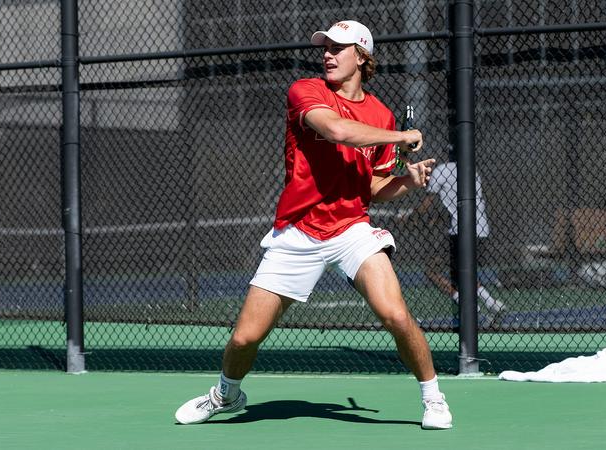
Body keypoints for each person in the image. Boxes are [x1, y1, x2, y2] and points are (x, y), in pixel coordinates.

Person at [174, 20, 452, 430]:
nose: (327, 53)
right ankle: (225, 394)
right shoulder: (306, 92)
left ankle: (434, 398)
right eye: (325, 46)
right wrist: (400, 135)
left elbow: (372, 186)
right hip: (299, 231)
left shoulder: (379, 113)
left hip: (352, 230)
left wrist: (407, 181)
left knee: (394, 314)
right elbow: (339, 130)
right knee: (245, 338)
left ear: (362, 57)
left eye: (338, 47)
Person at [410, 154, 505, 322]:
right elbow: (457, 203)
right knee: (464, 272)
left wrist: (410, 217)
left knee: (432, 270)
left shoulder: (442, 171)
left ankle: (468, 305)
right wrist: (438, 218)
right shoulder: (471, 171)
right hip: (480, 229)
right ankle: (491, 304)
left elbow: (427, 204)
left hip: (460, 231)